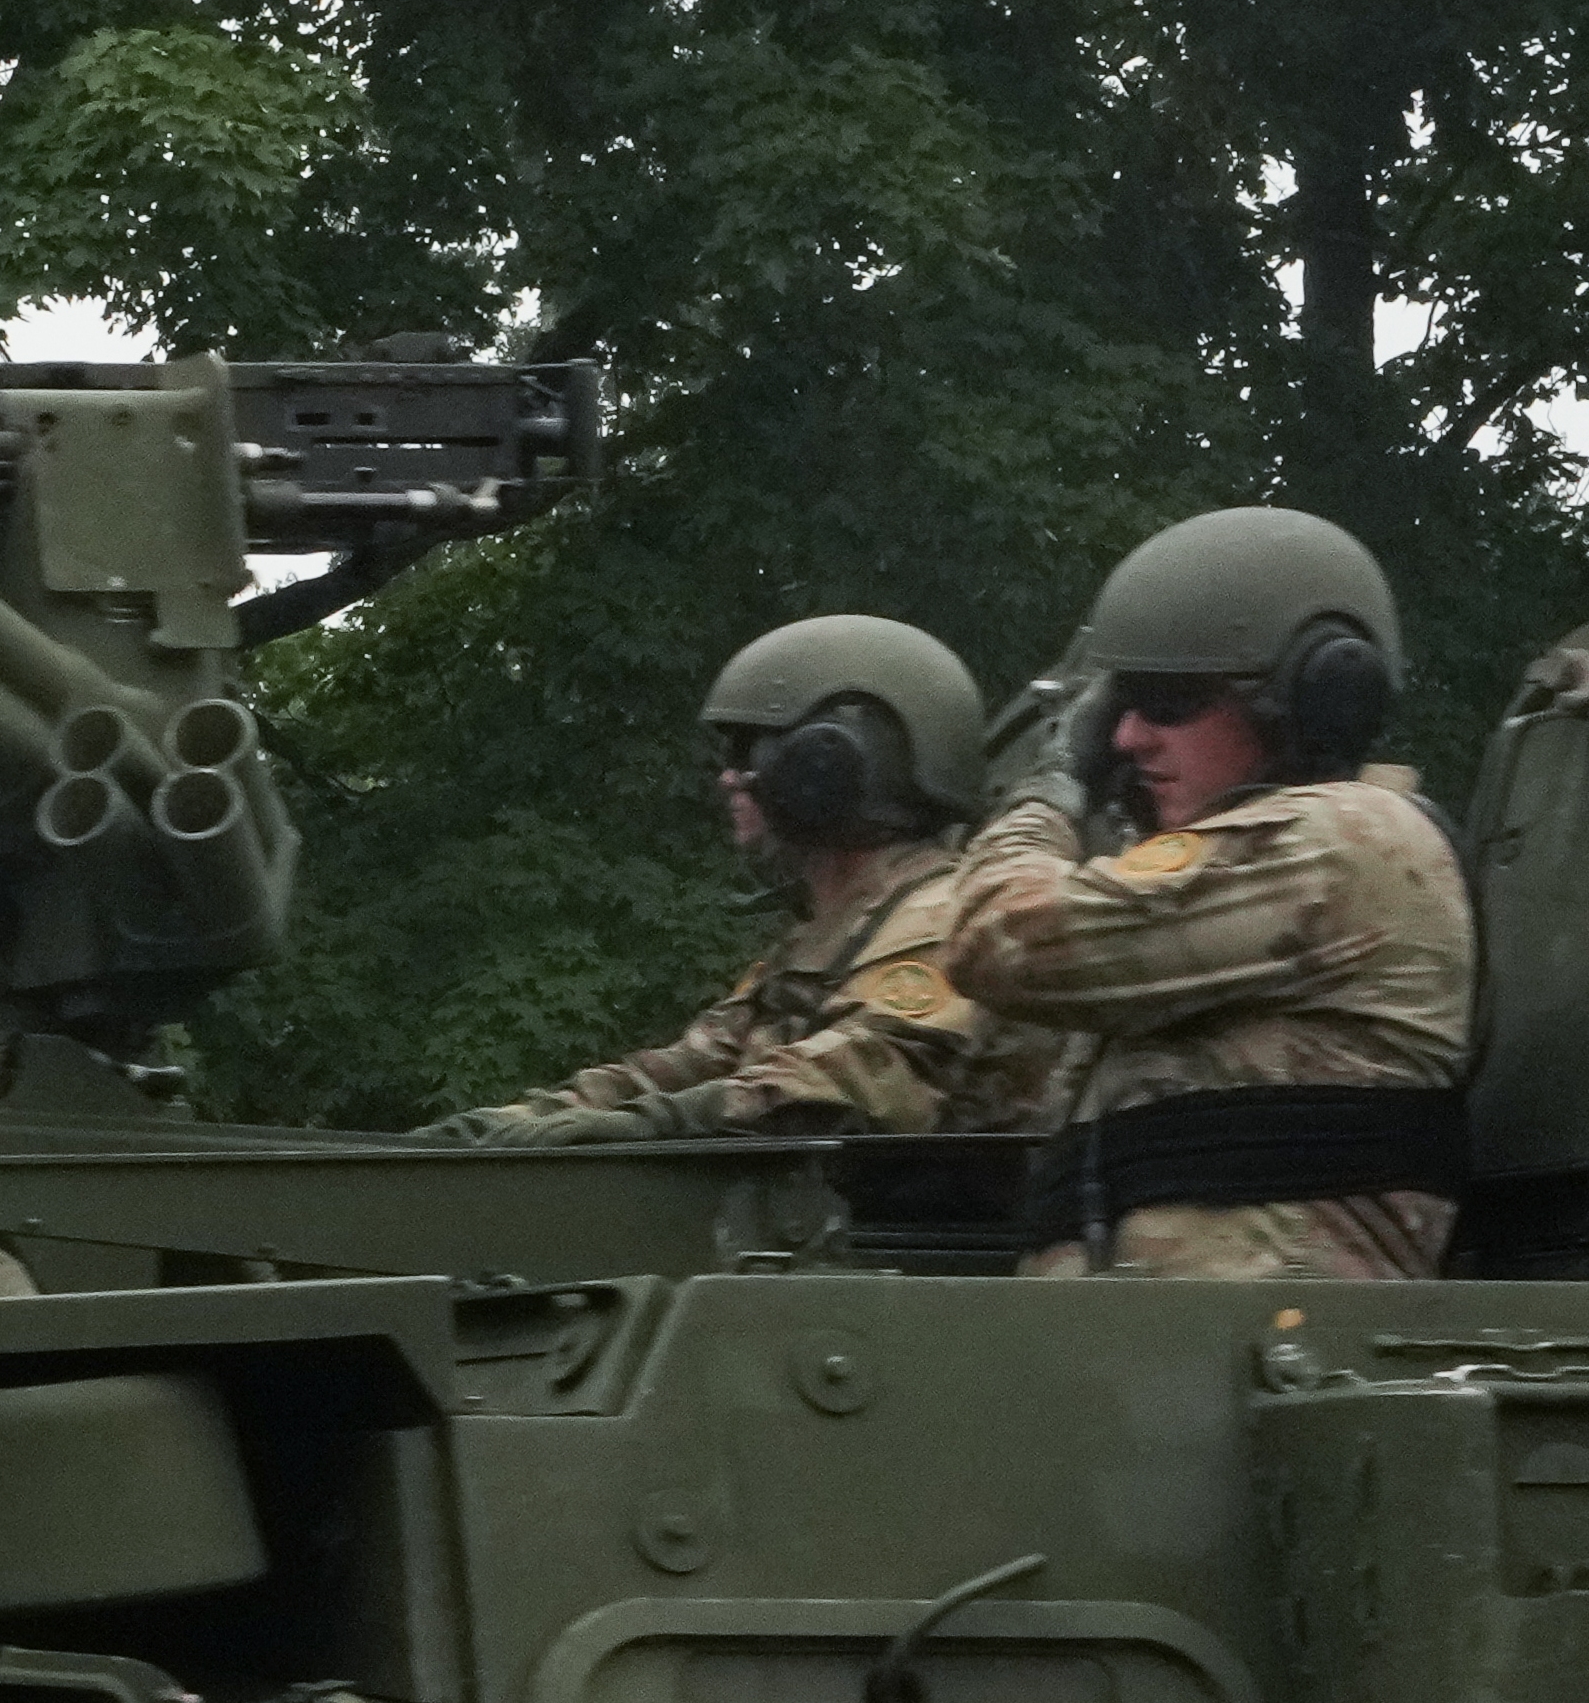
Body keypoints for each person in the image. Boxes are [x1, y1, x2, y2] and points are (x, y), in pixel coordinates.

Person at [939, 503, 1475, 1276]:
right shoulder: (1234, 873)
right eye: (1119, 706)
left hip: (1264, 1340)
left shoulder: (1341, 838)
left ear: (1315, 694)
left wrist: (1051, 789)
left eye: (1166, 700)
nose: (1125, 737)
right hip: (1166, 1339)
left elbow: (997, 936)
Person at [452, 617, 1035, 1140]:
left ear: (836, 763)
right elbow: (691, 1064)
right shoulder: (825, 937)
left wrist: (658, 1123)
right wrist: (508, 1125)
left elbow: (857, 1078)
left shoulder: (947, 916)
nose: (729, 779)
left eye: (751, 753)